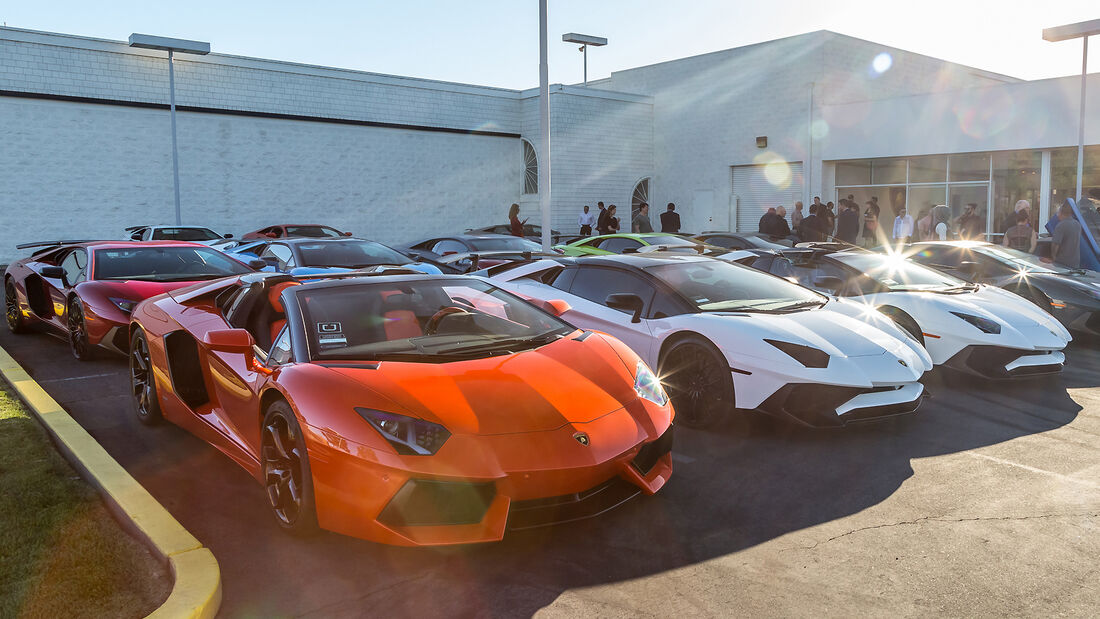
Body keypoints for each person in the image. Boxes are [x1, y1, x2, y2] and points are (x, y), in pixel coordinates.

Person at [1051, 202, 1082, 268]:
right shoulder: (1077, 224)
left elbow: (1055, 244)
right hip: (1075, 262)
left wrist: (1053, 257)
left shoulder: (1061, 225)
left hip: (1062, 263)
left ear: (1060, 213)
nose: (1057, 215)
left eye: (1057, 213)